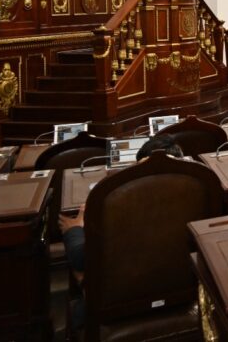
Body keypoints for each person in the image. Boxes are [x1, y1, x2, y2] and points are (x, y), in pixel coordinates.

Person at [59, 134, 187, 331]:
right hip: (182, 296)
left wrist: (75, 228)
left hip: (120, 306)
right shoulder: (197, 195)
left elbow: (80, 258)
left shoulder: (117, 207)